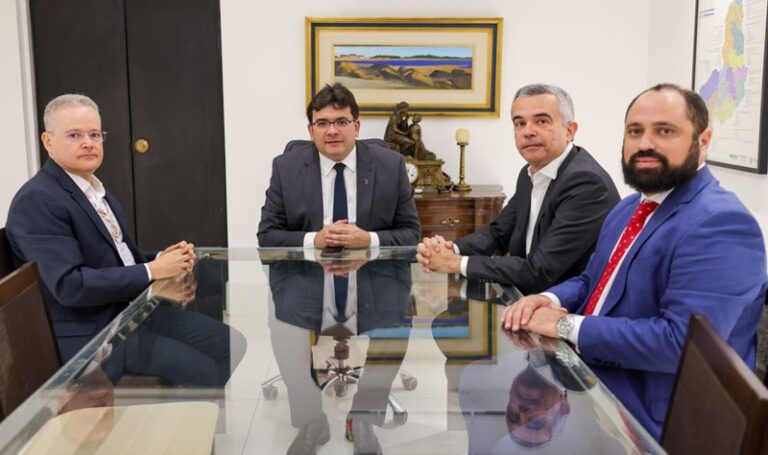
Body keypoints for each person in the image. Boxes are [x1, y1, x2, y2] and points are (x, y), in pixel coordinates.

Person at [500, 83, 768, 439]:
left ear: (703, 141)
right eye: (635, 131)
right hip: (588, 380)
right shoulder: (631, 207)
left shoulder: (721, 224)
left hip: (656, 420)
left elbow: (679, 345)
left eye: (665, 131)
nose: (644, 144)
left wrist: (565, 326)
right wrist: (547, 299)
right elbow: (592, 280)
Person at [6, 94, 196, 361]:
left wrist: (161, 258)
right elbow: (70, 285)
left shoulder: (94, 190)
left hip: (125, 313)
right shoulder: (38, 200)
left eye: (95, 135)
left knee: (225, 342)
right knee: (202, 367)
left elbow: (116, 258)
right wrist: (152, 270)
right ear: (48, 141)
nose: (88, 143)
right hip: (91, 335)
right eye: (74, 135)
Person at [417, 84, 620, 294]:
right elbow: (498, 234)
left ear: (570, 131)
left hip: (569, 304)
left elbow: (539, 270)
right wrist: (450, 249)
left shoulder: (586, 184)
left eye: (541, 121)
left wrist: (456, 263)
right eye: (520, 123)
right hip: (527, 297)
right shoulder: (529, 174)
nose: (528, 132)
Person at [258, 83, 420, 248]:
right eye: (322, 123)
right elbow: (267, 235)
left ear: (356, 127)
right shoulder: (285, 168)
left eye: (341, 122)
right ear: (311, 131)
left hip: (371, 262)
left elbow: (411, 233)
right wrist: (314, 240)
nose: (332, 131)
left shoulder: (391, 166)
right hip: (309, 263)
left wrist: (369, 240)